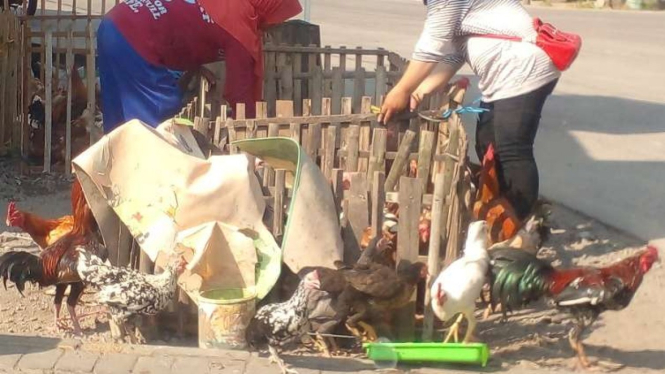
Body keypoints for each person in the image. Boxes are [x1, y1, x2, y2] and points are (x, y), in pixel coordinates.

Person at [380, 0, 560, 221]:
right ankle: (500, 208)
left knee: (512, 149)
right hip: (502, 76)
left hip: (523, 70)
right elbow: (456, 53)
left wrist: (401, 90)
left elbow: (432, 44)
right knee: (487, 143)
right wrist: (420, 91)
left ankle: (520, 222)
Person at [97, 0, 302, 133]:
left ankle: (112, 181)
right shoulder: (239, 25)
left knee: (119, 119)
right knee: (152, 126)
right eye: (280, 17)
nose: (277, 25)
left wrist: (196, 66)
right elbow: (241, 94)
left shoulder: (227, 5)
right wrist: (248, 134)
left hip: (114, 23)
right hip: (134, 35)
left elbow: (182, 24)